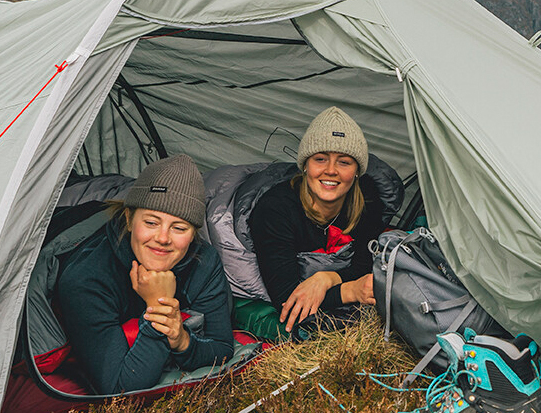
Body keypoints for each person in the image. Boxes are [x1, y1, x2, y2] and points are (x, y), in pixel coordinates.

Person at [55, 155, 236, 394]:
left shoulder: (204, 260)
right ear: (129, 219)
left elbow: (221, 348)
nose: (162, 238)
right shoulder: (88, 278)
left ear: (193, 234)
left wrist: (181, 340)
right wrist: (159, 307)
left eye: (179, 228)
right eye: (151, 222)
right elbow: (119, 387)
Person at [245, 106, 385, 339]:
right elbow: (287, 297)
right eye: (320, 159)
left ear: (357, 171)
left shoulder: (367, 202)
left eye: (344, 162)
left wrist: (326, 278)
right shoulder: (276, 209)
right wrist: (349, 291)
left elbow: (365, 265)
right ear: (305, 165)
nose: (331, 171)